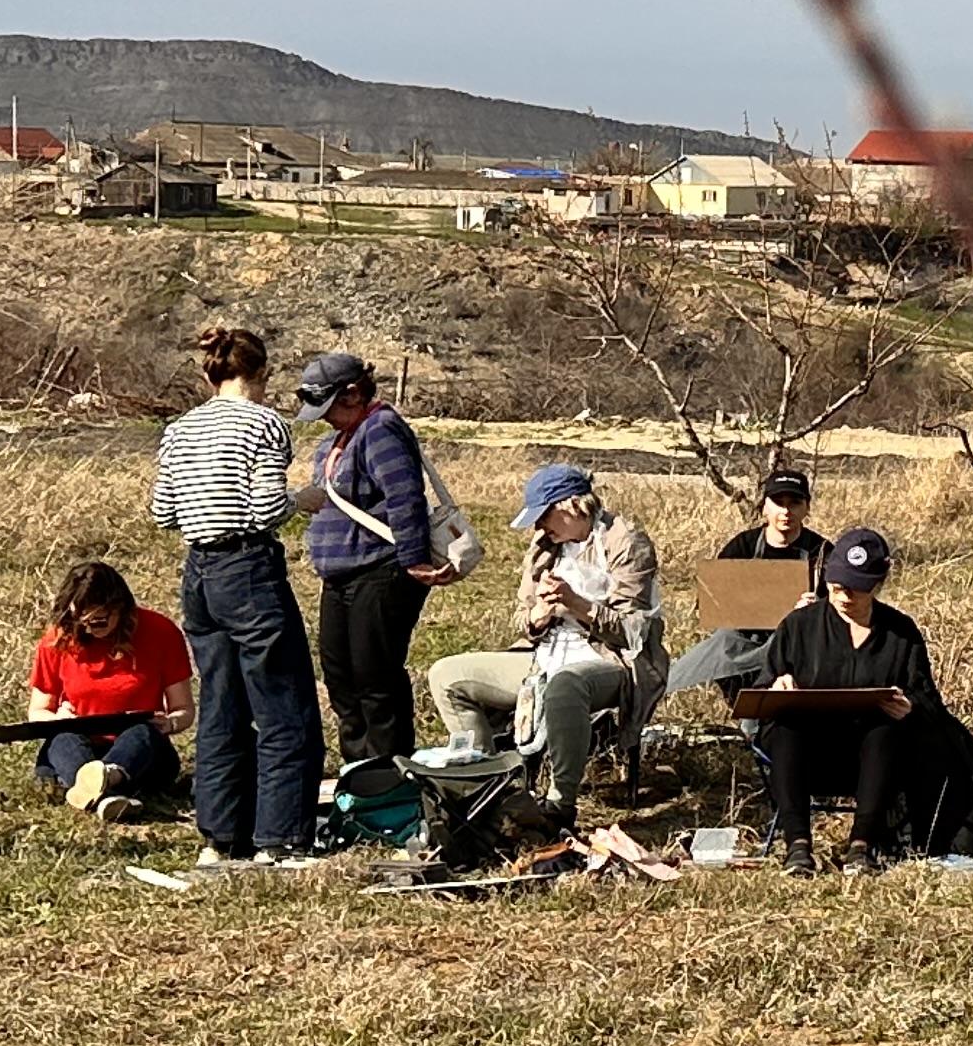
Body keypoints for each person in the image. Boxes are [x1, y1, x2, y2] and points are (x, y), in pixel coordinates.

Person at [147, 322, 324, 870]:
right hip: (248, 566)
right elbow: (269, 508)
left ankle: (221, 835)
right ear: (262, 373)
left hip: (198, 569)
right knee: (283, 703)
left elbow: (163, 512)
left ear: (210, 372)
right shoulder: (264, 425)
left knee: (221, 704)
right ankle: (283, 837)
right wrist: (304, 499)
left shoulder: (180, 429)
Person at [425, 462, 664, 808]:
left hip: (610, 660)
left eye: (543, 516)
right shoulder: (543, 546)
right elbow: (523, 616)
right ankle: (480, 787)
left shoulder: (626, 543)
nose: (537, 526)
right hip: (543, 656)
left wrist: (575, 603)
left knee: (566, 684)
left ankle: (559, 804)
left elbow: (631, 633)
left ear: (570, 507)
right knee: (447, 675)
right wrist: (538, 616)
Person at [754, 524, 973, 871]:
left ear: (876, 586)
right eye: (838, 586)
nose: (845, 597)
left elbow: (928, 699)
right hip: (805, 756)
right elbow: (760, 693)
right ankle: (797, 846)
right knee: (785, 725)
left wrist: (910, 708)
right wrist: (776, 687)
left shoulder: (900, 632)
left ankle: (862, 846)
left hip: (875, 761)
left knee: (883, 729)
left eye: (857, 589)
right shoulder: (799, 626)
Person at [294, 350, 452, 788]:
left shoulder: (380, 429)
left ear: (354, 394)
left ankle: (389, 778)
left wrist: (413, 559)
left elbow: (405, 496)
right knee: (341, 676)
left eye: (330, 408)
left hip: (379, 569)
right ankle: (358, 774)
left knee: (375, 677)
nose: (325, 419)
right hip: (340, 574)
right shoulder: (336, 441)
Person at [23, 560, 192, 821]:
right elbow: (38, 712)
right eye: (79, 622)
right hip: (81, 743)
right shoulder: (58, 639)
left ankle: (102, 780)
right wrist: (57, 720)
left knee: (141, 733)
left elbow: (184, 710)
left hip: (140, 749)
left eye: (98, 622)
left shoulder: (161, 631)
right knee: (63, 736)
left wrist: (168, 724)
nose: (88, 629)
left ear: (120, 609)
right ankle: (108, 794)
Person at [669, 471, 828, 698]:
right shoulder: (743, 546)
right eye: (778, 503)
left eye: (794, 503)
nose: (786, 511)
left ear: (807, 507)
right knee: (722, 642)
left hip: (798, 638)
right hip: (745, 638)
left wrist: (816, 609)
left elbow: (843, 608)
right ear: (764, 507)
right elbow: (710, 601)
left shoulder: (821, 551)